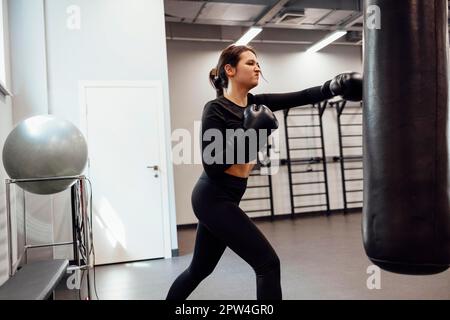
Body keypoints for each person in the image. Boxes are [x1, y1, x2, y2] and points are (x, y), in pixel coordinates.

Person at [166, 44, 362, 300]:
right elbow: (212, 165)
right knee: (268, 264)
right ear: (230, 69)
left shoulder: (257, 104)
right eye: (250, 63)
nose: (257, 67)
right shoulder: (215, 109)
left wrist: (332, 87)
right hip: (212, 197)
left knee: (198, 269)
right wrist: (251, 133)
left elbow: (302, 95)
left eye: (258, 63)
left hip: (229, 196)